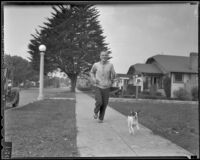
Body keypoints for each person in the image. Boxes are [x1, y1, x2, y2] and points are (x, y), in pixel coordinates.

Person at [90, 51, 116, 123]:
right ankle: (96, 112)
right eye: (102, 55)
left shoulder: (110, 65)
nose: (104, 56)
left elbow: (113, 75)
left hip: (107, 87)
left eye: (105, 55)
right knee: (99, 101)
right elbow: (91, 72)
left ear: (107, 57)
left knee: (104, 104)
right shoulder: (96, 65)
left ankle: (101, 118)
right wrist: (94, 79)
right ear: (100, 56)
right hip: (98, 86)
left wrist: (113, 76)